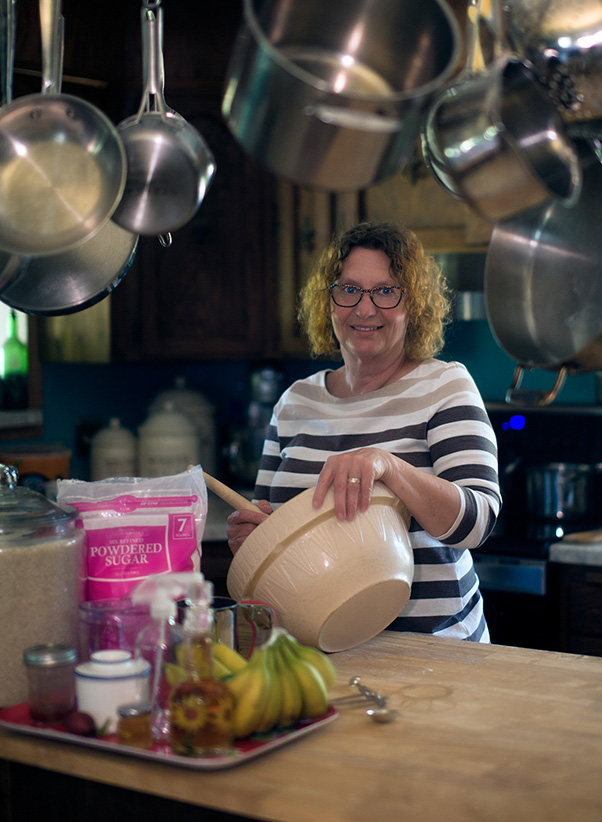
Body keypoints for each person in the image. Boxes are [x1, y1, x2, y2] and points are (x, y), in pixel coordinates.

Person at [227, 221, 501, 642]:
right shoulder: (294, 403)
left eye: (386, 291)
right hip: (320, 652)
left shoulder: (444, 385)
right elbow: (272, 531)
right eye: (349, 289)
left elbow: (477, 524)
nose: (366, 309)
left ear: (415, 305)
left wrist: (389, 466)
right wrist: (253, 543)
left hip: (437, 653)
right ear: (329, 300)